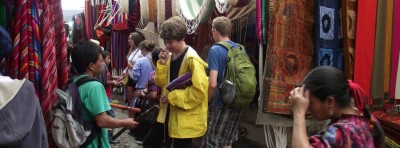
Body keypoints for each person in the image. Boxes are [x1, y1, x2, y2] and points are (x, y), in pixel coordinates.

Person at [290, 66, 385, 148]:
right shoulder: (369, 120)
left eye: (311, 103)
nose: (308, 109)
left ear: (330, 101)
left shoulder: (340, 131)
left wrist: (299, 113)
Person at [70, 41, 139, 148]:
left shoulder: (73, 82)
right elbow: (102, 121)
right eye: (101, 61)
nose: (103, 64)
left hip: (79, 139)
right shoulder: (94, 86)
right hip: (92, 142)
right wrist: (125, 122)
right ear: (91, 66)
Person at [155, 16, 209, 148]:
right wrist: (161, 65)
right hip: (169, 114)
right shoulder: (169, 56)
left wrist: (172, 97)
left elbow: (199, 92)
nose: (166, 46)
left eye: (170, 42)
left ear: (181, 38)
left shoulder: (192, 59)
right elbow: (161, 83)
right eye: (165, 41)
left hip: (185, 120)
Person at [205, 16, 243, 148]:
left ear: (215, 30)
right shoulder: (240, 48)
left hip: (220, 103)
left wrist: (206, 101)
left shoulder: (215, 49)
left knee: (212, 141)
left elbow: (213, 83)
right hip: (237, 100)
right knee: (227, 141)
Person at [129, 40, 157, 143]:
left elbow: (135, 77)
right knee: (149, 114)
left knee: (139, 114)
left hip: (141, 91)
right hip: (154, 93)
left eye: (141, 49)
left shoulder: (140, 61)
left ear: (144, 49)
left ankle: (138, 135)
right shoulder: (156, 61)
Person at [100, 50, 120, 144]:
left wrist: (113, 78)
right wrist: (113, 82)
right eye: (108, 58)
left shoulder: (104, 67)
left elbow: (106, 78)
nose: (109, 60)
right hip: (106, 95)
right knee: (111, 115)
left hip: (107, 94)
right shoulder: (103, 66)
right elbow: (104, 81)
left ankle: (108, 137)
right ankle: (109, 137)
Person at [123, 32, 144, 105]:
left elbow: (143, 66)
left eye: (130, 39)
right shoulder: (132, 49)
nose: (128, 40)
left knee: (133, 101)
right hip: (129, 77)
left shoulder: (141, 51)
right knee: (129, 101)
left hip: (136, 79)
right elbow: (128, 63)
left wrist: (132, 66)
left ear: (135, 39)